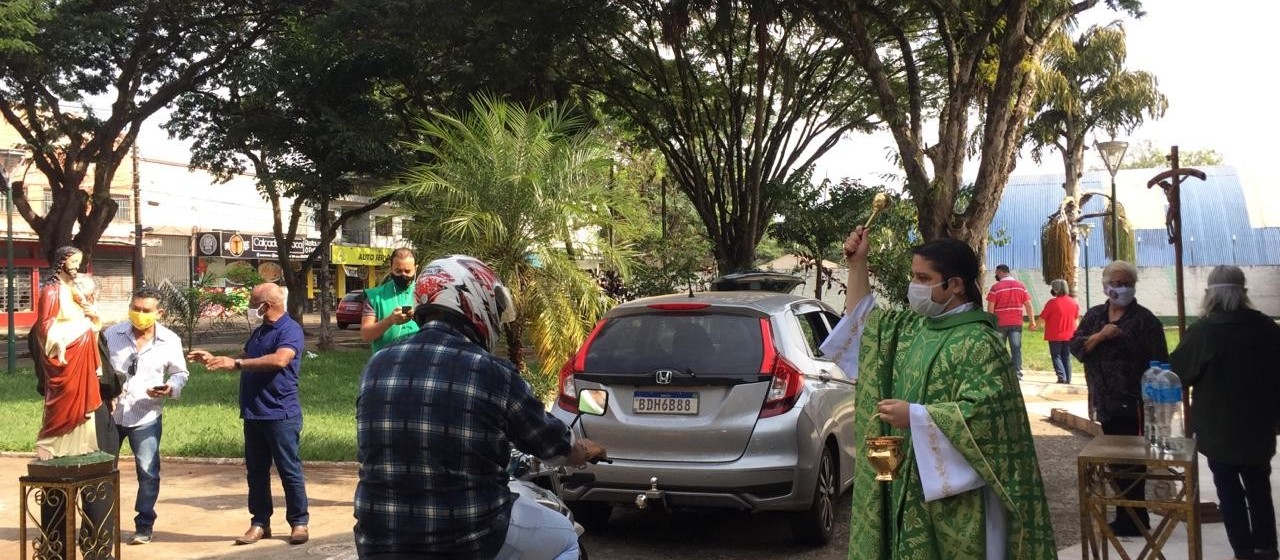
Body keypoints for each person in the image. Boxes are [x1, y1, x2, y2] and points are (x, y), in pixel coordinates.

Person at [819, 228, 1055, 559]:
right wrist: (859, 264)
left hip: (962, 497)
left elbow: (988, 420)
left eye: (922, 278)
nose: (913, 286)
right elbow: (865, 324)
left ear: (955, 284)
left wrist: (915, 417)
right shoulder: (915, 328)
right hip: (911, 484)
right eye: (913, 276)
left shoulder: (979, 342)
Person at [354, 255, 608, 559]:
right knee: (565, 535)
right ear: (474, 302)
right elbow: (552, 444)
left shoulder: (377, 365)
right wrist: (583, 449)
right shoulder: (490, 371)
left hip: (378, 541)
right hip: (469, 537)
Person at [1170, 266, 1280, 560]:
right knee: (1259, 488)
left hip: (1219, 430)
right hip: (1259, 427)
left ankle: (1243, 552)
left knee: (1230, 492)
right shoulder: (1268, 328)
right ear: (1243, 293)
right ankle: (1267, 548)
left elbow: (1178, 374)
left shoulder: (1205, 332)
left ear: (1211, 295)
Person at [187, 283, 310, 546]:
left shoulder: (290, 330)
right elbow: (245, 356)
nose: (251, 307)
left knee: (289, 470)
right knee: (256, 472)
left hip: (280, 413)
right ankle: (259, 523)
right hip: (254, 413)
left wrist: (238, 364)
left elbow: (280, 360)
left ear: (267, 305)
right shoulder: (260, 332)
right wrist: (218, 359)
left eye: (254, 303)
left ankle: (299, 522)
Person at [1069, 260, 1168, 537]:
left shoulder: (1145, 321)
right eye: (1116, 283)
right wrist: (1100, 337)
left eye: (1127, 283)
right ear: (1105, 287)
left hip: (1135, 403)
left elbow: (1160, 363)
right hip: (1104, 401)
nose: (1121, 289)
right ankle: (1126, 514)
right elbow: (1077, 347)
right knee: (1114, 460)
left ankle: (1135, 518)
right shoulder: (1095, 316)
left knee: (1132, 462)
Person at [102, 286, 190, 545]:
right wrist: (105, 394)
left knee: (148, 471)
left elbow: (180, 373)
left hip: (146, 416)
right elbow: (100, 369)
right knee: (103, 471)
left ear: (159, 312)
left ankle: (144, 525)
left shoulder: (169, 340)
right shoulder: (111, 334)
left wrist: (169, 388)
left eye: (146, 311)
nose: (140, 315)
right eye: (135, 309)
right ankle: (101, 523)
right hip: (111, 416)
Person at [30, 246, 103, 460]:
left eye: (79, 263)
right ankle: (50, 442)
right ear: (62, 262)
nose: (76, 267)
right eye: (73, 262)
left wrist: (94, 318)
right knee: (65, 397)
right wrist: (57, 341)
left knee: (83, 399)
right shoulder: (51, 291)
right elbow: (44, 325)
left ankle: (81, 444)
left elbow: (91, 322)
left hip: (84, 352)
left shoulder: (77, 291)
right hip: (66, 354)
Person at [359, 248, 419, 353]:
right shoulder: (375, 296)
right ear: (391, 269)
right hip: (384, 363)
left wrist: (419, 318)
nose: (403, 275)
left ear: (416, 269)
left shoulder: (425, 294)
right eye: (398, 271)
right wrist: (390, 320)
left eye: (407, 271)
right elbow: (366, 335)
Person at [986, 263, 1037, 379]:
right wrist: (1032, 321)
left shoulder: (995, 288)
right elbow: (1029, 306)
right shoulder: (1021, 286)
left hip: (1000, 324)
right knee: (1016, 348)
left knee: (999, 349)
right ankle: (1017, 373)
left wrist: (990, 323)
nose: (996, 276)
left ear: (1000, 272)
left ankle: (999, 373)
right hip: (1016, 323)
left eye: (996, 274)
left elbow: (990, 308)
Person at [1039, 278, 1081, 384]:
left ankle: (1061, 376)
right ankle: (1068, 378)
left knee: (1056, 356)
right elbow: (1076, 318)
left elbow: (1043, 317)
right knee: (1066, 357)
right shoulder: (1073, 302)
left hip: (1055, 334)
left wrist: (1035, 326)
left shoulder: (1052, 303)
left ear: (1056, 290)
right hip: (1070, 334)